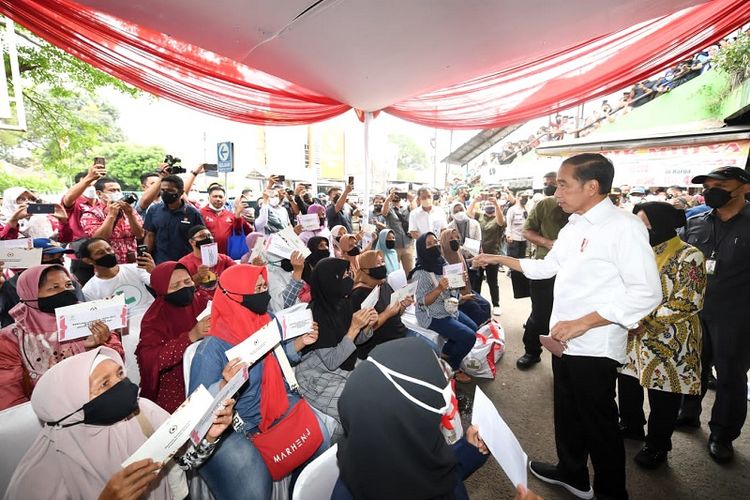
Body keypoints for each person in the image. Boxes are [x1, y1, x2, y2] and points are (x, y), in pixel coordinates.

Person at [473, 153, 661, 499]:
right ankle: (572, 472)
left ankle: (611, 492)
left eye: (563, 184)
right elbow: (547, 267)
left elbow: (647, 293)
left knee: (599, 423)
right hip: (564, 339)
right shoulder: (574, 224)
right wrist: (498, 258)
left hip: (594, 344)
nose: (555, 191)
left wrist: (584, 322)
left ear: (592, 186)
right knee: (568, 411)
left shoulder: (624, 227)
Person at [5, 347, 235, 500]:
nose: (120, 386)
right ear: (72, 403)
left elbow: (183, 461)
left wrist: (209, 437)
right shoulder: (44, 469)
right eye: (104, 384)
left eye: (120, 375)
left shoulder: (141, 410)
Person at [188, 264, 328, 499]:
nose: (264, 294)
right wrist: (224, 385)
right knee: (254, 490)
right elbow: (197, 407)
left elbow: (279, 356)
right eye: (256, 289)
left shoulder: (266, 320)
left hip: (276, 403)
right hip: (234, 424)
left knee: (320, 442)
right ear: (234, 296)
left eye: (264, 286)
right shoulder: (212, 348)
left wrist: (301, 342)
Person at [332, 338, 491, 500]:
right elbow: (436, 479)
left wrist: (468, 450)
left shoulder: (366, 453)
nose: (446, 378)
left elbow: (430, 469)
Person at [617, 202, 706, 469]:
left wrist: (645, 321)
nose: (638, 228)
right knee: (628, 381)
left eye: (643, 223)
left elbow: (689, 301)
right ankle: (631, 425)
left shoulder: (689, 255)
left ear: (662, 224)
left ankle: (657, 445)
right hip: (632, 334)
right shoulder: (636, 251)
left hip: (670, 338)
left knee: (664, 395)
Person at [678, 166, 750, 463]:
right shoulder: (695, 222)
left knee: (731, 377)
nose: (710, 191)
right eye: (706, 186)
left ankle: (722, 434)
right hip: (696, 311)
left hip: (737, 315)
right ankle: (688, 413)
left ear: (743, 187)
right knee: (693, 365)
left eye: (719, 185)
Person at [0, 264, 124, 410]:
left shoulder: (89, 316)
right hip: (45, 414)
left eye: (68, 284)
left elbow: (118, 362)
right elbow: (9, 394)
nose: (65, 291)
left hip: (100, 402)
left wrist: (100, 345)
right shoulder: (11, 339)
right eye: (54, 287)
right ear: (30, 294)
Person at [295, 258, 378, 439]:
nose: (350, 278)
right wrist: (354, 328)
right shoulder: (315, 314)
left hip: (344, 365)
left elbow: (354, 342)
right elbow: (332, 361)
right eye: (345, 275)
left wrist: (366, 326)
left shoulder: (341, 302)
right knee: (358, 411)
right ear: (330, 280)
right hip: (318, 376)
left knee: (378, 387)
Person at [136, 261, 211, 413]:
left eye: (187, 281)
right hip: (175, 383)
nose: (184, 287)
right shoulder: (154, 319)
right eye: (175, 286)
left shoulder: (201, 299)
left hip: (208, 369)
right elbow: (149, 360)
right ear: (161, 290)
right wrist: (190, 337)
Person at [79, 237, 156, 385]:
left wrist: (154, 270)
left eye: (109, 249)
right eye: (101, 253)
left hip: (152, 315)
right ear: (89, 261)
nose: (108, 254)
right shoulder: (89, 290)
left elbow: (157, 284)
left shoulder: (135, 268)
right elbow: (100, 323)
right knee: (132, 343)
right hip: (126, 328)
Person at [517, 176, 570, 370]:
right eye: (554, 185)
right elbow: (527, 232)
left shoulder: (589, 214)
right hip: (545, 269)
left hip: (575, 275)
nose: (556, 192)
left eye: (561, 185)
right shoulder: (545, 205)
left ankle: (565, 358)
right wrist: (549, 244)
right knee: (540, 314)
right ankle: (531, 351)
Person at [411, 233, 477, 384]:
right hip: (433, 315)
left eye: (435, 241)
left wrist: (460, 279)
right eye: (429, 243)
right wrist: (439, 289)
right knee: (469, 336)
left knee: (473, 328)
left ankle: (446, 353)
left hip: (449, 308)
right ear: (422, 249)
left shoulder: (442, 262)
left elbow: (452, 288)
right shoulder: (420, 273)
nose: (434, 245)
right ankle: (452, 368)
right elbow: (421, 302)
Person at [0, 238, 79, 328]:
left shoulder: (70, 280)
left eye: (61, 256)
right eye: (50, 256)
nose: (60, 260)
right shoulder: (10, 287)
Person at [350, 250, 412, 359]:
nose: (382, 266)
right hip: (380, 344)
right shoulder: (358, 295)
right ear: (366, 270)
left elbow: (396, 313)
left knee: (432, 349)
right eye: (378, 263)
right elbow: (362, 332)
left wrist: (403, 305)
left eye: (383, 262)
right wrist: (386, 314)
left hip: (400, 333)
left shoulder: (383, 285)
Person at [80, 177, 145, 264]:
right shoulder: (91, 214)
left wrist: (130, 214)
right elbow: (98, 239)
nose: (117, 193)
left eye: (119, 190)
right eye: (112, 190)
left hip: (132, 263)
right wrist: (111, 215)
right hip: (108, 265)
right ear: (99, 194)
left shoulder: (129, 210)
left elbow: (140, 234)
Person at [143, 175, 204, 264]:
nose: (165, 193)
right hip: (160, 262)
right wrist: (146, 256)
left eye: (170, 190)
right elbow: (150, 235)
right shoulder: (154, 210)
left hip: (185, 264)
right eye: (163, 190)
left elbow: (201, 238)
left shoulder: (193, 213)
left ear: (180, 192)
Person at [439, 228, 491, 326]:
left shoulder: (459, 254)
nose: (455, 240)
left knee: (486, 305)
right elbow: (445, 289)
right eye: (451, 238)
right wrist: (462, 297)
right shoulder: (440, 261)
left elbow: (467, 280)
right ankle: (479, 334)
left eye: (457, 237)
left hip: (466, 291)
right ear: (444, 241)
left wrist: (474, 267)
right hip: (452, 298)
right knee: (478, 311)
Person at [467, 192, 506, 316]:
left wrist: (496, 204)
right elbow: (468, 214)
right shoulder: (480, 216)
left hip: (492, 255)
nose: (489, 205)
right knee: (477, 280)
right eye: (487, 203)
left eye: (491, 204)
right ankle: (477, 302)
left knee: (492, 281)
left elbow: (501, 222)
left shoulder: (498, 217)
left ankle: (496, 304)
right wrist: (475, 200)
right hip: (478, 254)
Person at [178, 225, 236, 294]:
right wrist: (198, 276)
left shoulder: (223, 259)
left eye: (209, 235)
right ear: (192, 242)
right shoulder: (184, 263)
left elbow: (238, 270)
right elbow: (181, 290)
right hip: (198, 301)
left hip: (221, 299)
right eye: (202, 236)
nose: (207, 238)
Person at [200, 184, 252, 255]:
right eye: (215, 196)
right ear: (209, 198)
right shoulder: (201, 213)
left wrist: (238, 216)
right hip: (208, 254)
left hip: (227, 255)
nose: (218, 199)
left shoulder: (231, 215)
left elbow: (240, 232)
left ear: (224, 199)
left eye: (220, 197)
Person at [381, 190, 414, 273]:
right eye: (393, 194)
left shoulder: (406, 208)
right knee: (394, 272)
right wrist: (388, 199)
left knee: (410, 272)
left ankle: (410, 286)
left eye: (398, 193)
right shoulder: (389, 209)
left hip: (408, 245)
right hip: (394, 246)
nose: (396, 195)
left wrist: (411, 198)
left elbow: (415, 210)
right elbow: (384, 212)